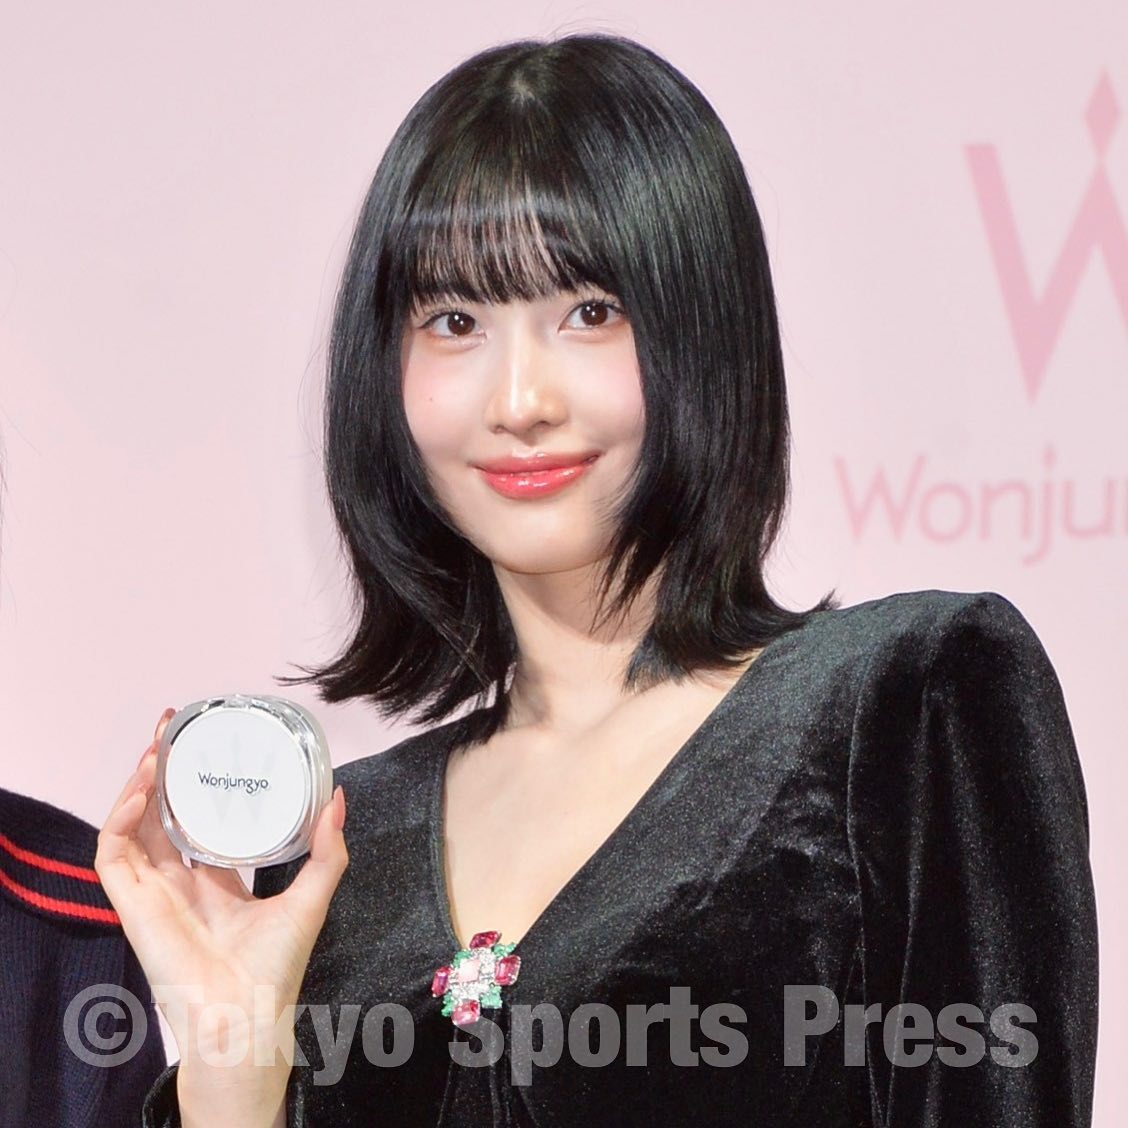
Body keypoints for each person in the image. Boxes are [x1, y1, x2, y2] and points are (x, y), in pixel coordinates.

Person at [97, 32, 1098, 1126]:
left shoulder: (906, 702)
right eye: (455, 322)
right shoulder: (345, 840)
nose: (519, 400)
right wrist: (232, 1061)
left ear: (704, 332)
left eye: (589, 312)